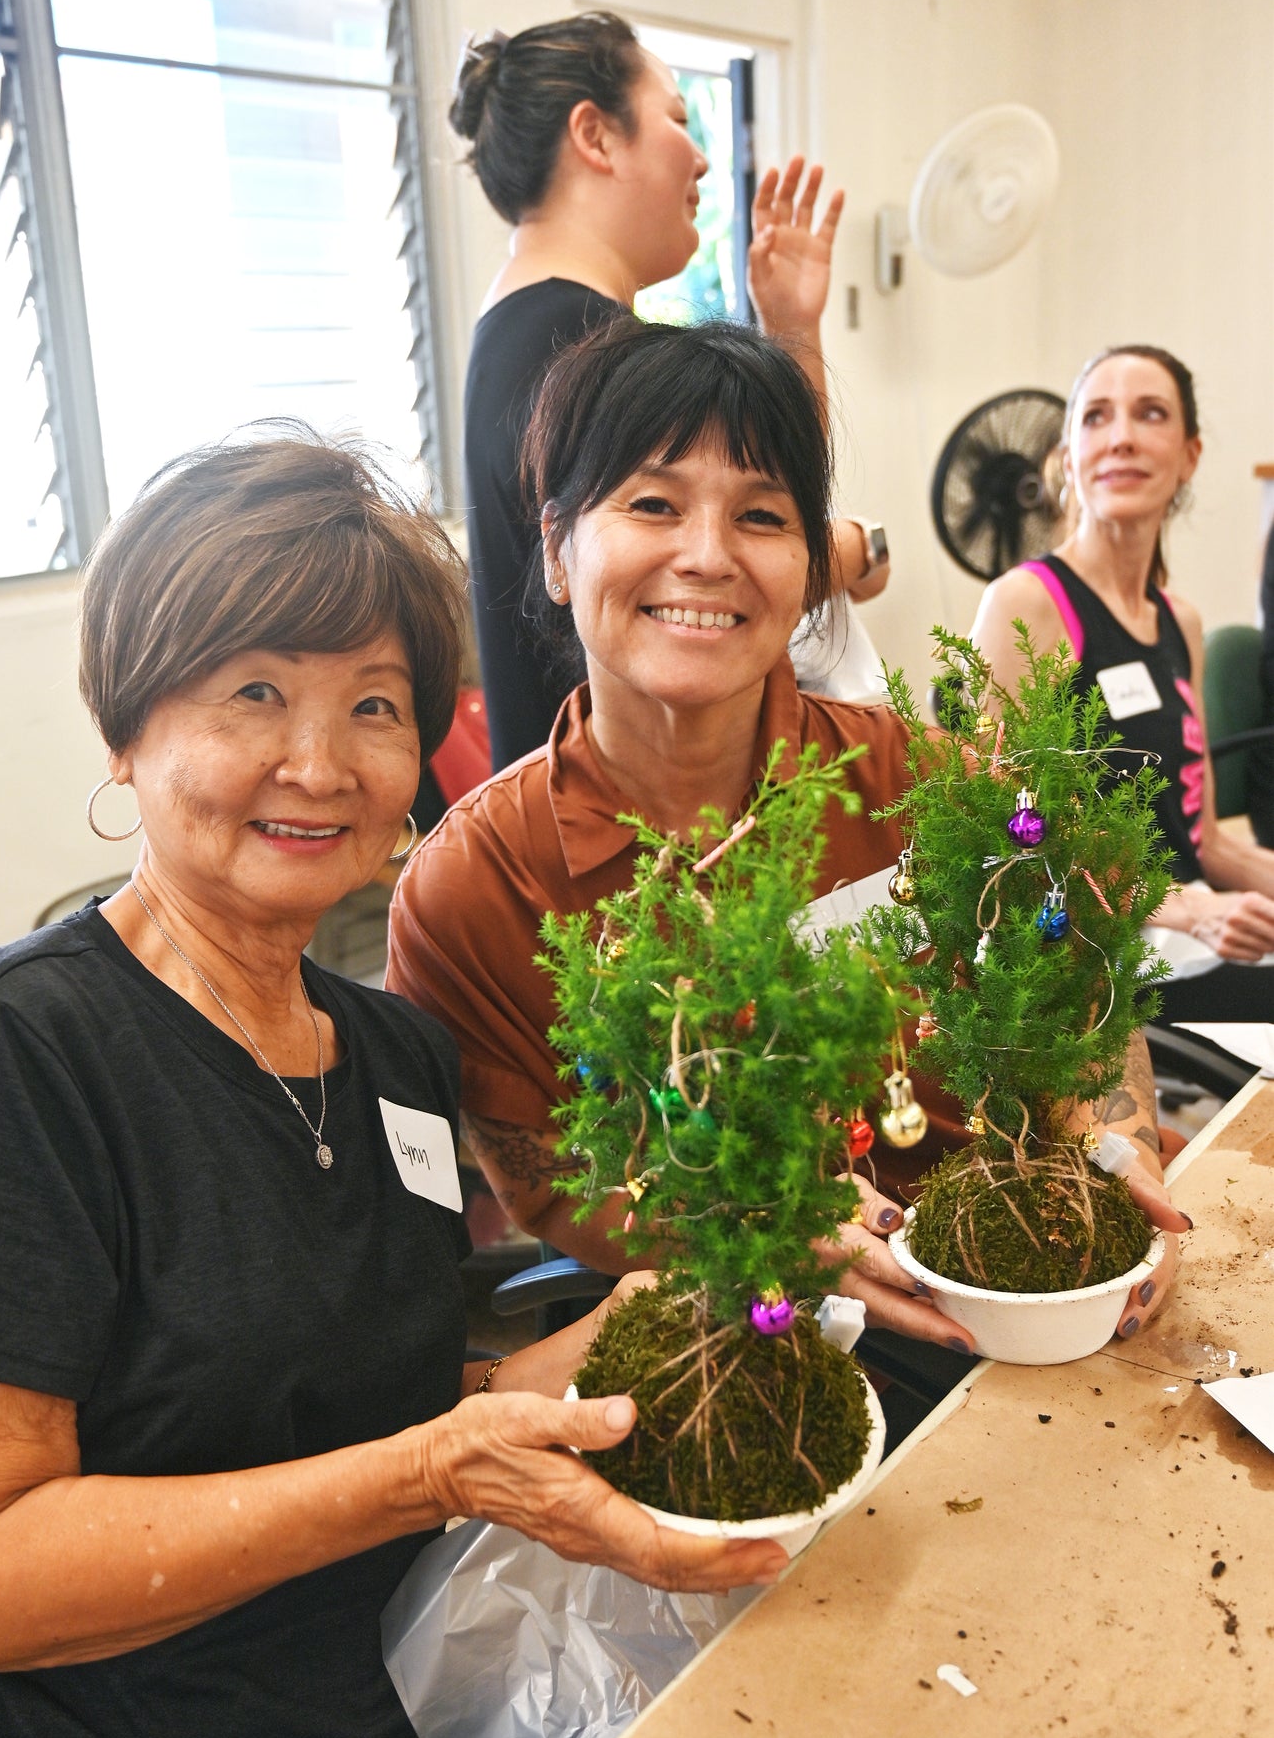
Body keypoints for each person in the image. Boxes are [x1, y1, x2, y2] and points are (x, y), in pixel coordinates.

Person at [0, 428, 789, 1738]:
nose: (320, 762)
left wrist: (679, 1316)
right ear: (130, 726)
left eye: (377, 708)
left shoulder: (396, 1056)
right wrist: (428, 1473)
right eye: (255, 694)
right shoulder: (18, 1055)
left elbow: (393, 1394)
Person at [386, 318, 1189, 1351]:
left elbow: (1082, 969)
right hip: (738, 1335)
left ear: (811, 565)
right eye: (651, 503)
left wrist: (1115, 1140)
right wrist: (766, 1226)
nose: (707, 556)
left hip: (1010, 1286)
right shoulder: (474, 887)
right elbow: (545, 1182)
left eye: (761, 515)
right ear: (553, 549)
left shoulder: (919, 783)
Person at [449, 12, 889, 772]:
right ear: (594, 136)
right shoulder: (576, 342)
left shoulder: (530, 324)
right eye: (678, 120)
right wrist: (857, 547)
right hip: (620, 818)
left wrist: (790, 325)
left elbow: (771, 503)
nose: (702, 162)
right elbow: (737, 571)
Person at [970, 346, 1274, 1025]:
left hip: (1185, 936)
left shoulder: (1179, 622)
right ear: (1068, 454)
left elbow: (1206, 841)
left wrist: (1217, 899)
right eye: (1096, 417)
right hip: (1091, 955)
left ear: (1188, 454)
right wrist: (1194, 909)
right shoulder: (1025, 604)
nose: (1121, 437)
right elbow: (1012, 836)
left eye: (1150, 413)